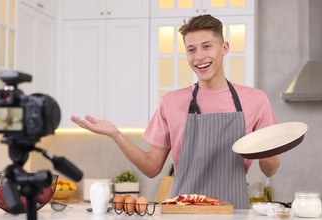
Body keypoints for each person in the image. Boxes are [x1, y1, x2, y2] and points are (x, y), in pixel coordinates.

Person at [71, 14, 280, 209]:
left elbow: (270, 169)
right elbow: (152, 168)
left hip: (234, 213)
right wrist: (115, 135)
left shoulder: (255, 100)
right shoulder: (171, 102)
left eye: (207, 46)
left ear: (224, 47)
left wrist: (266, 153)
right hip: (183, 215)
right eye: (191, 49)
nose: (199, 56)